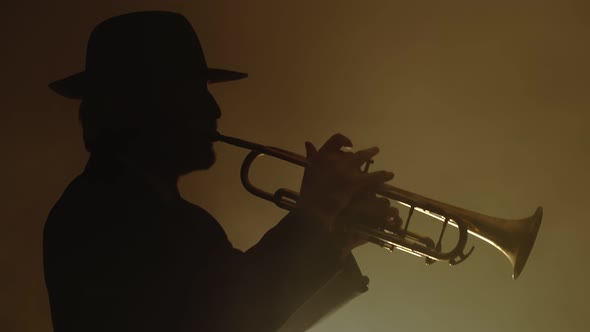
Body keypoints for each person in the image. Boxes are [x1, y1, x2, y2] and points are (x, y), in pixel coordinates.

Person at [44, 11, 399, 332]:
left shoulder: (176, 218)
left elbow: (268, 320)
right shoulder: (100, 215)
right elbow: (231, 317)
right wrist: (315, 215)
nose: (214, 109)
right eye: (193, 94)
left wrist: (332, 238)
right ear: (138, 106)